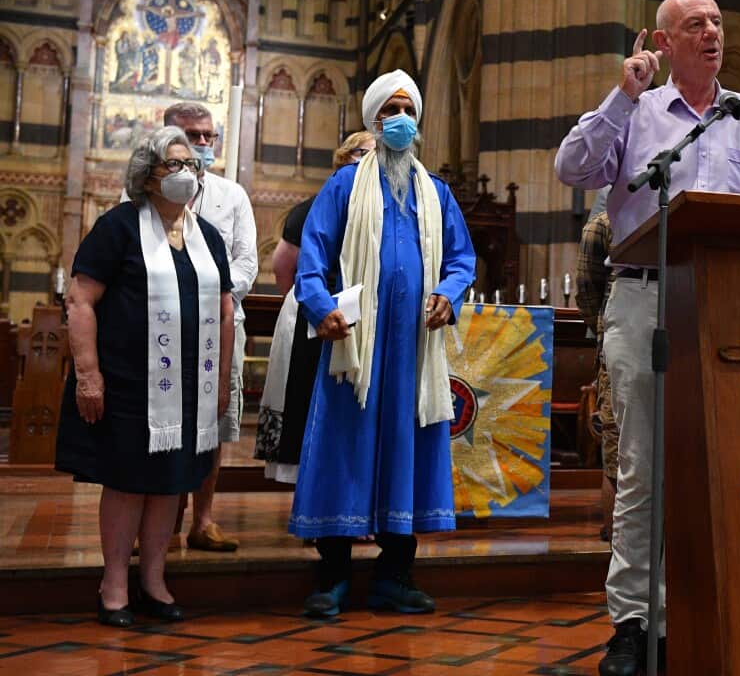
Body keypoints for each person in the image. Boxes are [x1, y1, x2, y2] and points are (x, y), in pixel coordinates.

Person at [555, 0, 740, 676]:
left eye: (717, 24)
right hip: (646, 302)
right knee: (644, 469)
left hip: (733, 310)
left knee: (730, 465)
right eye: (696, 25)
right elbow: (572, 168)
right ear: (663, 40)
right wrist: (621, 96)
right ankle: (634, 622)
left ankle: (726, 604)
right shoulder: (638, 114)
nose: (711, 33)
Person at [289, 70, 476, 617]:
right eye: (390, 110)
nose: (400, 120)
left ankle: (396, 575)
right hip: (355, 349)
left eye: (408, 110)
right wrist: (321, 310)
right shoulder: (343, 186)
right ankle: (334, 578)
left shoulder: (436, 192)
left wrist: (447, 293)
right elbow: (312, 259)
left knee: (409, 455)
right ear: (374, 120)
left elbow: (462, 258)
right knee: (344, 450)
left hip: (414, 353)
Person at [57, 127, 234, 627]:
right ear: (147, 175)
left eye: (190, 166)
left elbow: (223, 315)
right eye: (173, 164)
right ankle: (114, 585)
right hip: (128, 384)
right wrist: (88, 376)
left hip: (189, 390)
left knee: (169, 485)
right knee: (129, 483)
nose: (185, 174)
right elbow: (80, 300)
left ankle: (154, 581)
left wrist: (221, 381)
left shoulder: (209, 239)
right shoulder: (117, 227)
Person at [120, 102, 258, 553]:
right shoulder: (137, 196)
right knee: (161, 419)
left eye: (208, 136)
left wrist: (203, 293)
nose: (202, 144)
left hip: (218, 324)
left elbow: (246, 263)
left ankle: (204, 519)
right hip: (159, 326)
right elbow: (132, 256)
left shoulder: (231, 195)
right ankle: (159, 524)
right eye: (192, 136)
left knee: (212, 424)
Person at [256, 131, 375, 484]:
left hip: (365, 315)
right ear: (344, 159)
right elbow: (283, 267)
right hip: (314, 311)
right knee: (307, 399)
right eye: (364, 154)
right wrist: (310, 303)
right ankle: (308, 493)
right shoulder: (313, 207)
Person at [575, 202, 617, 542]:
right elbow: (587, 291)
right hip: (617, 349)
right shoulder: (601, 226)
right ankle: (615, 537)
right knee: (616, 450)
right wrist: (606, 330)